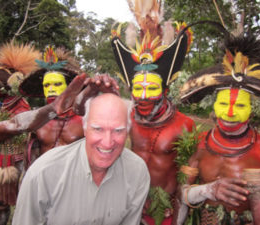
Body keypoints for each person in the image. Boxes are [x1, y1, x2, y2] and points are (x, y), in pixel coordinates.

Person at [178, 33, 260, 225]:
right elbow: (181, 194)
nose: (229, 113)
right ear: (213, 105)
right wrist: (207, 190)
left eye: (239, 106)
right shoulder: (200, 143)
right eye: (223, 104)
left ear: (252, 111)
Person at [111, 1, 195, 224]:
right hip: (130, 205)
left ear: (165, 89)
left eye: (152, 88)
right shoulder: (127, 118)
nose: (144, 95)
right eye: (138, 88)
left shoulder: (184, 125)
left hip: (167, 212)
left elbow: (190, 172)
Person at [12, 93, 150, 225]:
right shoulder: (43, 174)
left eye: (118, 130)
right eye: (98, 129)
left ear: (128, 132)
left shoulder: (137, 172)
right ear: (84, 128)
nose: (107, 143)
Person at [19, 46, 119, 169]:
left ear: (70, 87)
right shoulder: (36, 120)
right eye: (46, 85)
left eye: (57, 84)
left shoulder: (86, 118)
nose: (51, 90)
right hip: (45, 180)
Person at [0, 41, 41, 225]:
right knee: (0, 202)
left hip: (19, 162)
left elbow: (21, 129)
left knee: (22, 202)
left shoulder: (21, 107)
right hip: (1, 160)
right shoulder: (2, 104)